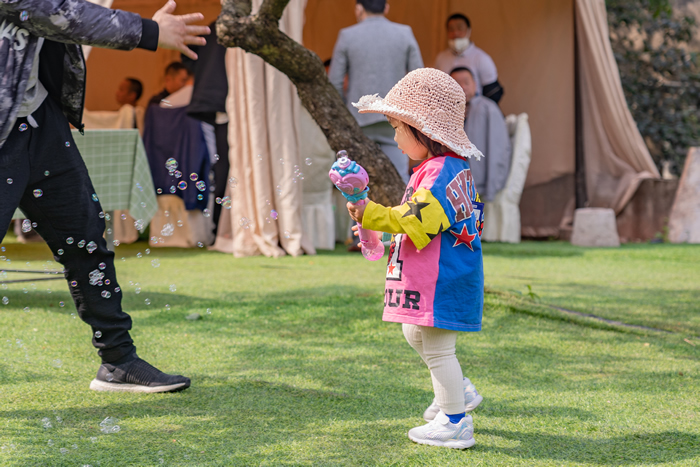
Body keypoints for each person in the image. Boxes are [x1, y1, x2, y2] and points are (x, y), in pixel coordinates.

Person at [0, 0, 209, 393]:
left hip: (39, 121)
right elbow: (54, 11)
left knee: (86, 238)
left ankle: (117, 361)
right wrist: (150, 32)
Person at [348, 68, 485, 449]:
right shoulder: (443, 169)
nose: (394, 136)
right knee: (415, 332)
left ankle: (455, 422)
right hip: (440, 274)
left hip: (442, 279)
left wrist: (370, 213)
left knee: (438, 347)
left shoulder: (440, 173)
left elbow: (417, 220)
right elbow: (426, 225)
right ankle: (456, 391)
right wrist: (380, 230)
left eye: (397, 127)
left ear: (423, 131)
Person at [329, 0, 423, 184]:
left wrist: (343, 114)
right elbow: (418, 79)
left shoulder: (347, 35)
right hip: (395, 119)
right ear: (386, 7)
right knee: (398, 181)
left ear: (359, 8)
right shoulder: (404, 33)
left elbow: (334, 83)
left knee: (355, 183)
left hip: (358, 120)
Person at [451, 67, 511, 202]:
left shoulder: (487, 109)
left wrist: (492, 189)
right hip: (454, 187)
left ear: (475, 85)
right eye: (456, 83)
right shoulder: (445, 113)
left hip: (479, 188)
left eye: (466, 82)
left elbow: (498, 151)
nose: (462, 87)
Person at [434, 13, 504, 104]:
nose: (455, 33)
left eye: (460, 28)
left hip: (474, 111)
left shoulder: (482, 58)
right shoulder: (441, 58)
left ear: (469, 31)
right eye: (451, 30)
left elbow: (493, 92)